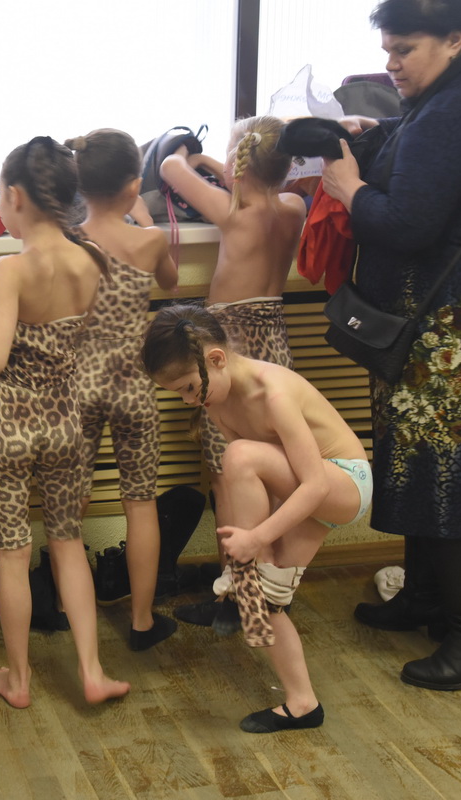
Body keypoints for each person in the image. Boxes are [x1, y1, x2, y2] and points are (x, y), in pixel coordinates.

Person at [321, 0, 461, 691]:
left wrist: (350, 190)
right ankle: (425, 598)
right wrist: (375, 135)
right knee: (423, 459)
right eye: (387, 49)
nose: (390, 63)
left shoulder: (457, 110)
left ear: (454, 40)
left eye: (404, 49)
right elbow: (423, 155)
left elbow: (407, 223)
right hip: (454, 319)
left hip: (459, 327)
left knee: (453, 468)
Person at [0, 136, 130, 708]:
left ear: (15, 196)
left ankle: (19, 679)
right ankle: (92, 672)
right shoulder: (93, 259)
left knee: (13, 552)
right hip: (65, 425)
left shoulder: (11, 267)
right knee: (68, 542)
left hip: (8, 427)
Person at [141, 304, 371, 733]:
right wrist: (263, 555)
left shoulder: (274, 394)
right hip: (303, 490)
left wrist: (256, 540)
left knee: (240, 455)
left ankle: (245, 572)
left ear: (216, 358)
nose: (189, 400)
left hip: (344, 483)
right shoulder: (217, 401)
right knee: (262, 601)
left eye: (189, 388)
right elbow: (256, 484)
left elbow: (315, 486)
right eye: (179, 394)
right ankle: (303, 704)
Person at [158, 116, 307, 628]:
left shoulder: (233, 211)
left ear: (238, 167)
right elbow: (255, 178)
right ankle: (271, 588)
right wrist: (220, 161)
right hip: (275, 347)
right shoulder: (293, 207)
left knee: (228, 478)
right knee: (272, 474)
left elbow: (169, 166)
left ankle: (236, 598)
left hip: (230, 351)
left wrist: (190, 154)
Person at [64, 128, 179, 650]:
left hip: (79, 384)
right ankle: (141, 621)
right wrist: (146, 221)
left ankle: (69, 607)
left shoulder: (69, 242)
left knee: (72, 500)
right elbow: (171, 282)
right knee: (140, 501)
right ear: (134, 186)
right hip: (132, 385)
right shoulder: (148, 241)